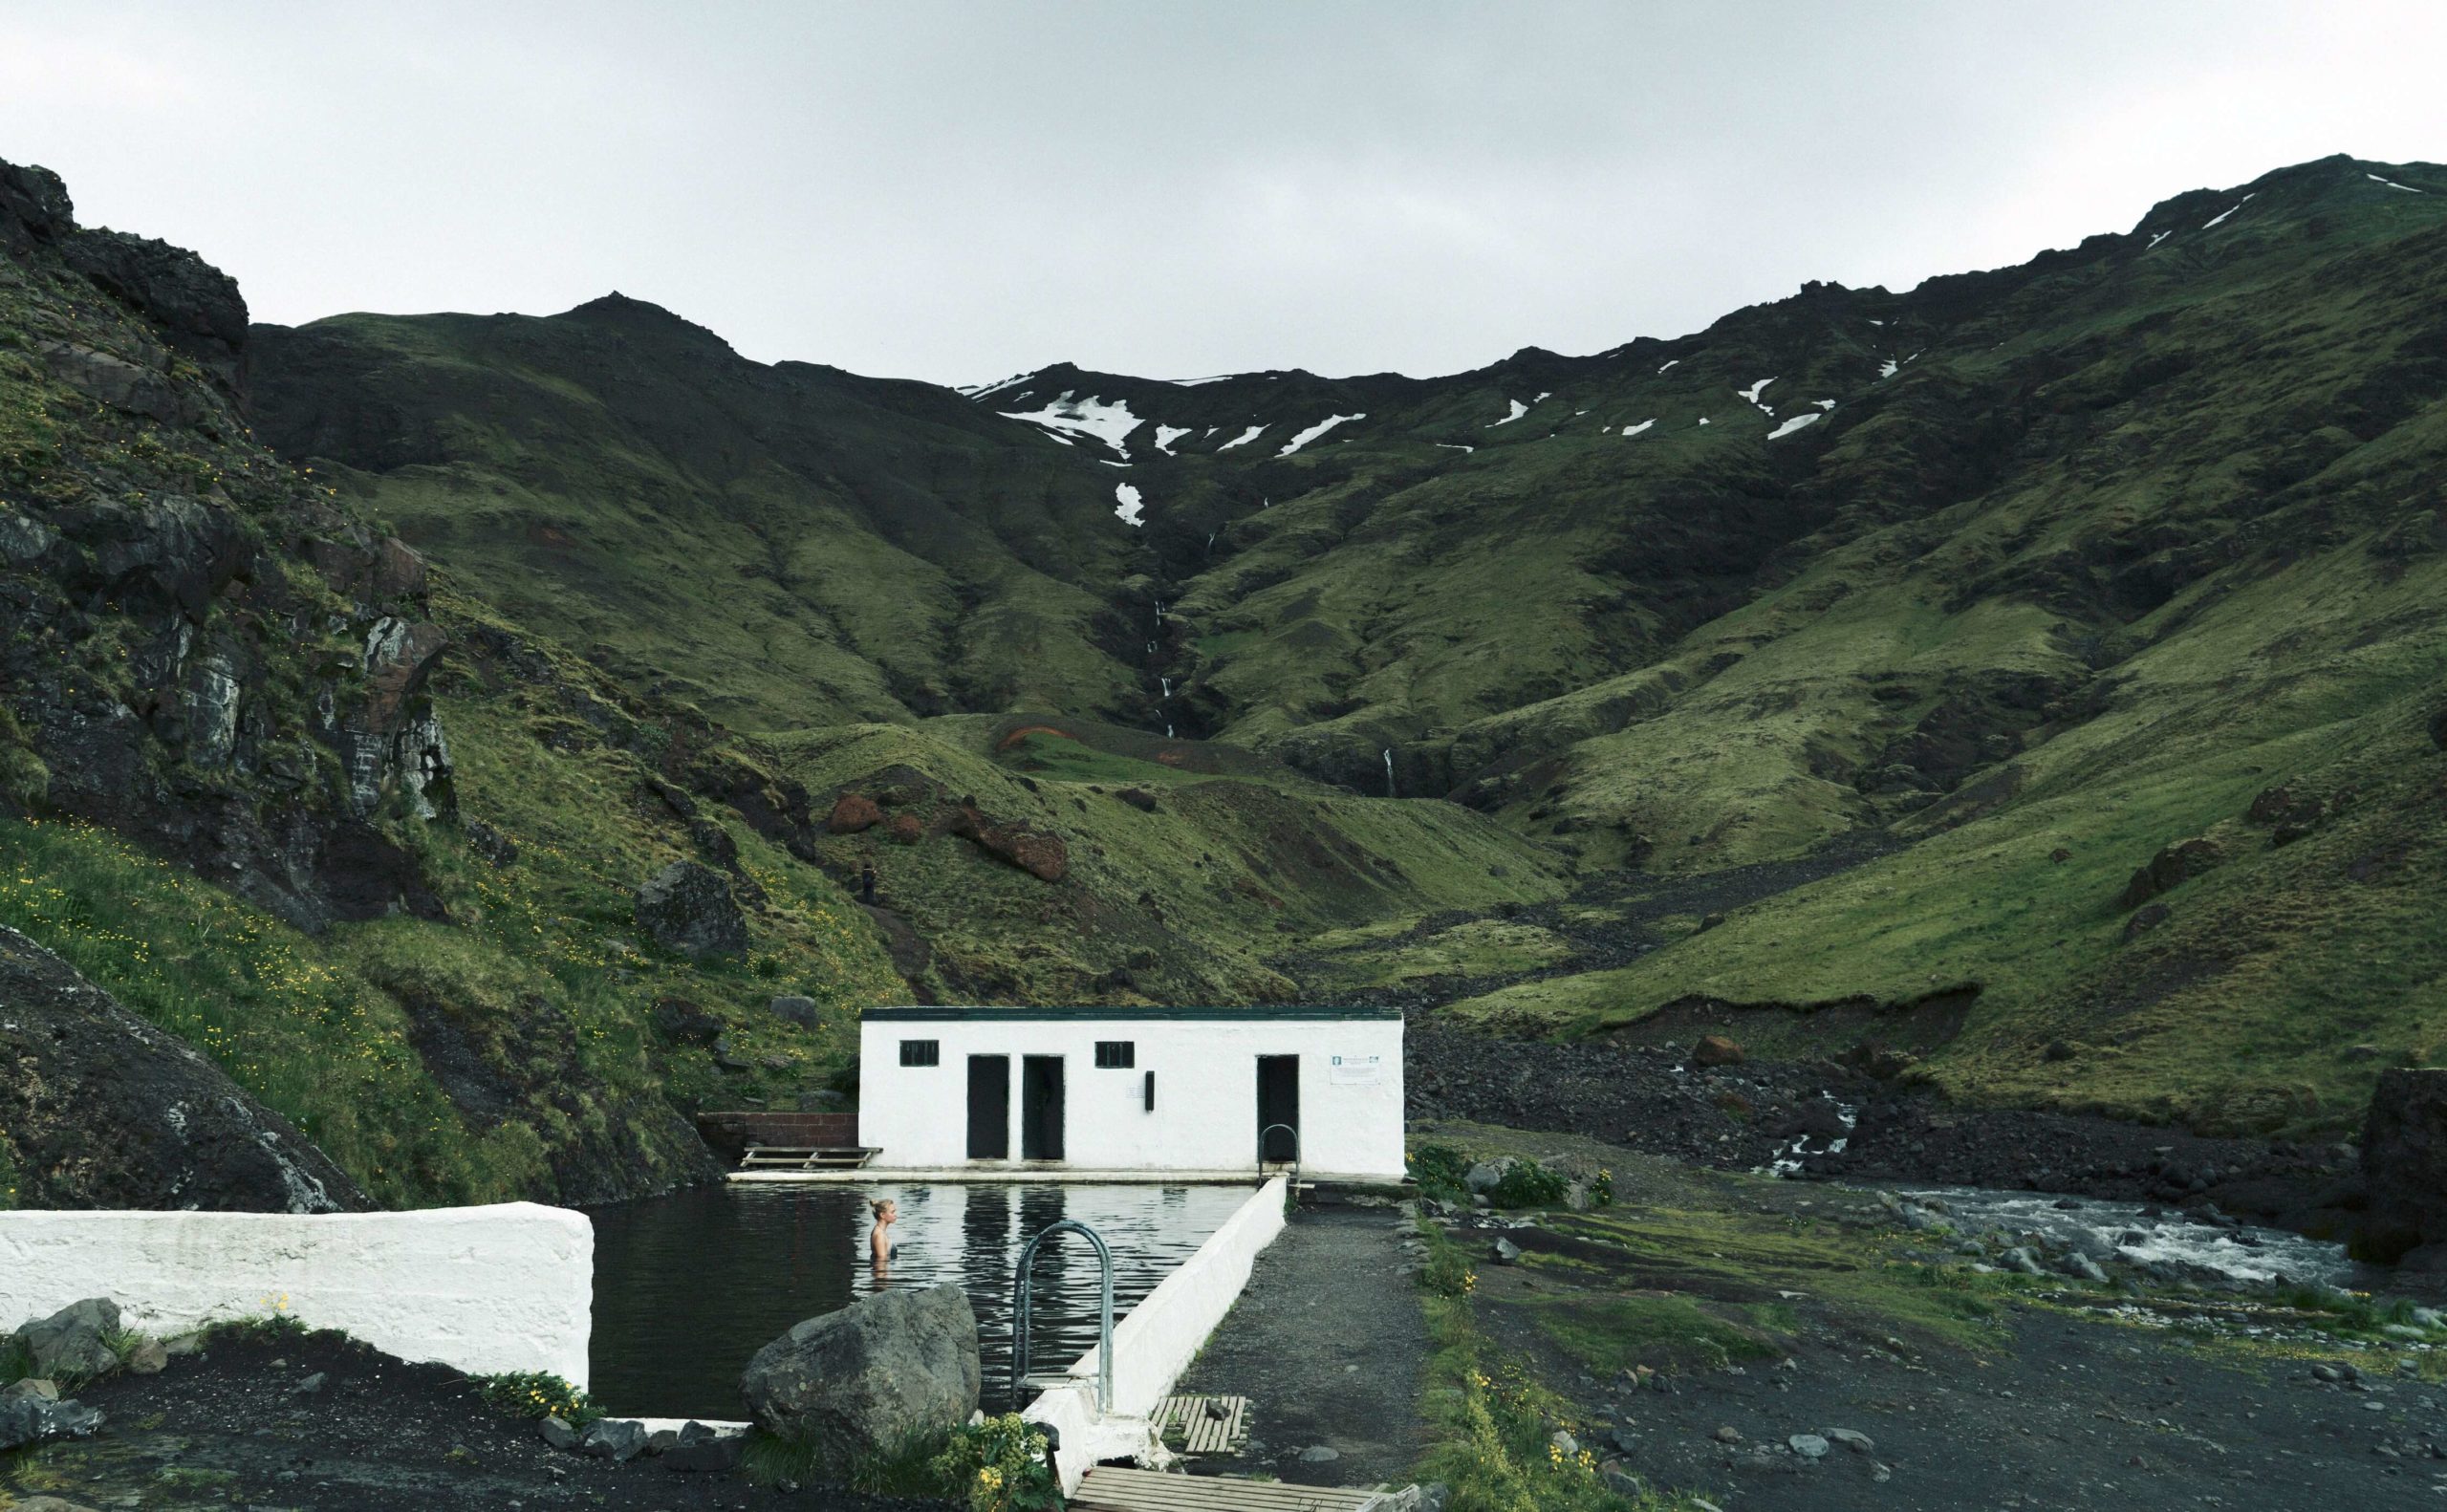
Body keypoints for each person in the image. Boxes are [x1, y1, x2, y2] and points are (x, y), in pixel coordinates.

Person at [869, 1196, 899, 1273]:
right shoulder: (880, 1235)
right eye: (892, 1212)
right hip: (882, 1281)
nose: (895, 1215)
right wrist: (883, 1283)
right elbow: (881, 1264)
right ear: (882, 1215)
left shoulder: (880, 1231)